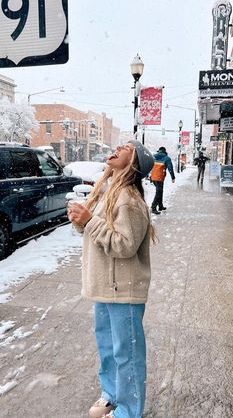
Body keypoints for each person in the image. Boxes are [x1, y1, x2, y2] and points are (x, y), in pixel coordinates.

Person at [67, 140, 155, 418]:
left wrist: (90, 220)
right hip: (105, 288)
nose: (119, 146)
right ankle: (112, 395)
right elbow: (99, 237)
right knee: (107, 349)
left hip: (124, 290)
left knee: (127, 355)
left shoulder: (129, 198)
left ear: (134, 162)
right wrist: (83, 221)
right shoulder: (109, 193)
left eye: (127, 146)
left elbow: (124, 246)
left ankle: (129, 412)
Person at [150, 146, 175, 215]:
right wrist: (173, 177)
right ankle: (153, 207)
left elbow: (149, 165)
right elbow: (170, 168)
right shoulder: (167, 158)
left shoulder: (153, 156)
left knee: (160, 191)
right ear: (165, 151)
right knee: (158, 192)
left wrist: (149, 176)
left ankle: (160, 206)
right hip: (159, 177)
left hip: (153, 177)